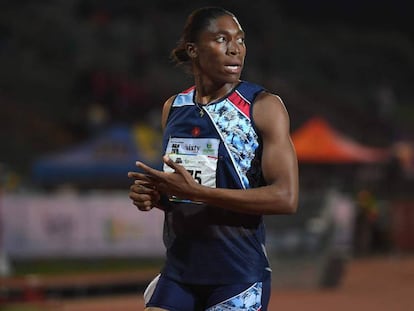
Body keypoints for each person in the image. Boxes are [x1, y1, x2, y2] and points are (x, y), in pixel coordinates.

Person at [128, 6, 299, 311]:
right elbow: (186, 195)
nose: (235, 49)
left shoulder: (262, 107)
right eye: (222, 39)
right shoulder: (174, 107)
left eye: (241, 40)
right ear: (193, 50)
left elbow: (286, 198)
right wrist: (156, 195)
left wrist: (198, 193)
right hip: (180, 272)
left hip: (238, 276)